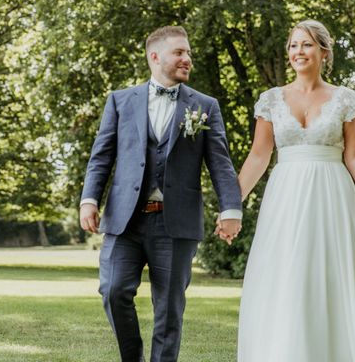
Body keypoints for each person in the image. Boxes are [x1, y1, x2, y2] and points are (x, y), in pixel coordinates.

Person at [234, 20, 355, 361]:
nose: (299, 52)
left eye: (307, 45)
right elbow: (259, 155)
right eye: (294, 45)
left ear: (324, 52)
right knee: (287, 273)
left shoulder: (345, 99)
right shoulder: (271, 100)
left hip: (332, 194)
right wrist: (231, 204)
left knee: (329, 273)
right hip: (286, 197)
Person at [79, 25, 242, 362]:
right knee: (113, 291)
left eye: (189, 54)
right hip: (125, 220)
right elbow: (101, 156)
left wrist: (231, 209)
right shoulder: (120, 101)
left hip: (175, 224)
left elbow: (221, 163)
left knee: (168, 308)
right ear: (155, 57)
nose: (188, 60)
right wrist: (89, 199)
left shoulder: (206, 106)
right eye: (179, 53)